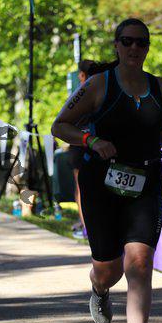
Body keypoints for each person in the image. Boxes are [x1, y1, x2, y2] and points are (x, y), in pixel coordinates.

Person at [51, 18, 162, 323]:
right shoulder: (99, 84)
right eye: (127, 41)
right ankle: (99, 288)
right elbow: (59, 125)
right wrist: (91, 141)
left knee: (139, 263)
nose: (134, 48)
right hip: (102, 183)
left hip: (145, 181)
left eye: (141, 42)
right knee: (109, 270)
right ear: (116, 45)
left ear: (148, 47)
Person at [67, 59, 95, 239]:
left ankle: (87, 227)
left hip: (82, 144)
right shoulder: (104, 91)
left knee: (81, 189)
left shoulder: (78, 94)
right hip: (93, 144)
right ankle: (88, 226)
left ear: (82, 75)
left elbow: (64, 122)